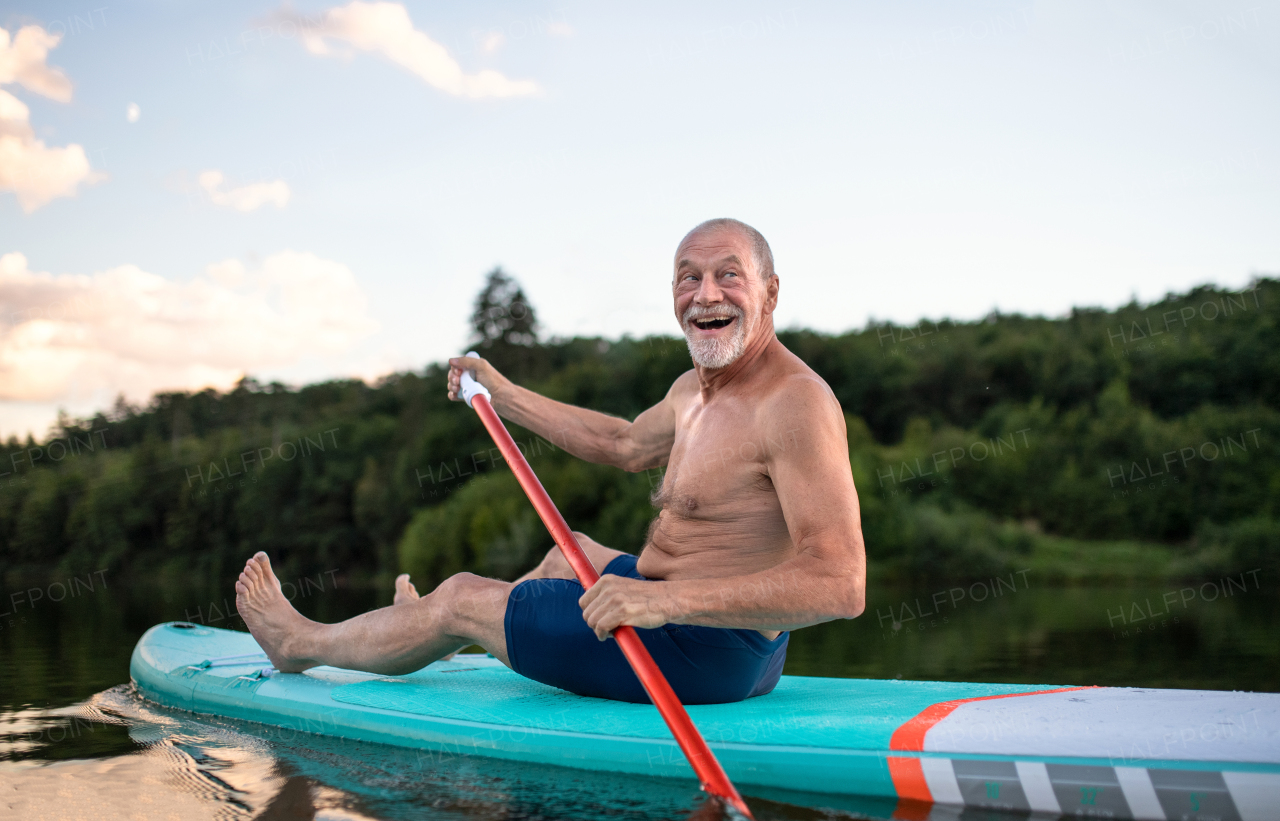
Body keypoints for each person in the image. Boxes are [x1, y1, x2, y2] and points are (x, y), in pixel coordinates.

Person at [236, 218, 866, 704]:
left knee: (459, 595)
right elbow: (622, 444)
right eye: (687, 277)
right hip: (703, 628)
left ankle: (300, 644)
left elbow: (841, 584)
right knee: (570, 554)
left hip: (708, 654)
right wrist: (505, 396)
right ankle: (433, 633)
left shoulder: (794, 404)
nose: (705, 294)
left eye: (729, 275)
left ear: (771, 292)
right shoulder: (693, 390)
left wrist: (660, 605)